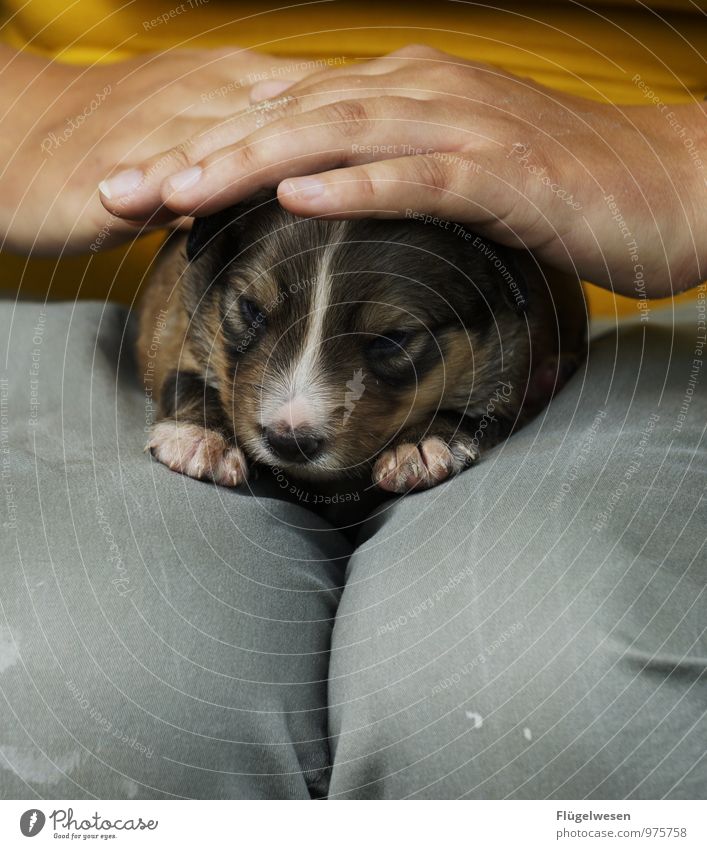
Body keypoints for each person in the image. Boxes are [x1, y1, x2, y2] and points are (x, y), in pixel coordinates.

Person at [0, 4, 705, 800]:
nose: (289, 417)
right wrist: (22, 104)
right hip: (92, 302)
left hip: (638, 314)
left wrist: (689, 154)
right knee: (87, 669)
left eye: (391, 347)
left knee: (549, 677)